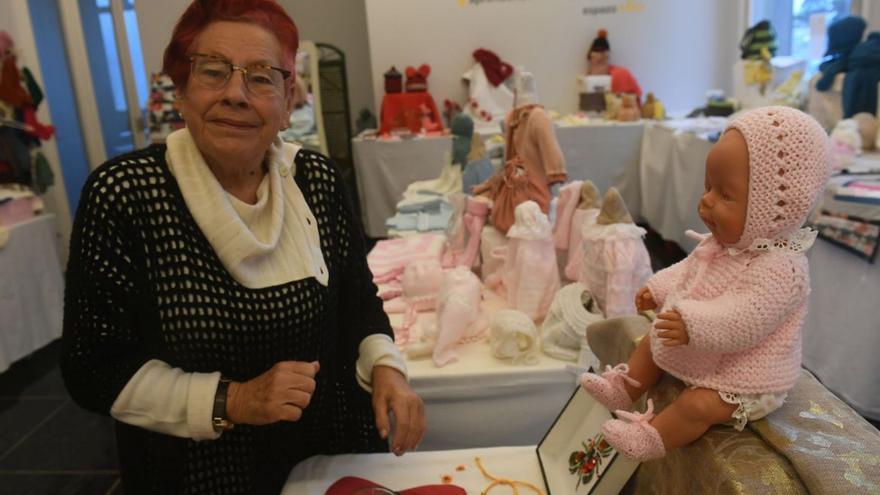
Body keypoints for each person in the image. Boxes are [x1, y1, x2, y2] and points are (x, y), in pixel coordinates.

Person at [60, 1, 424, 492]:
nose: (236, 94)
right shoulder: (127, 195)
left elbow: (358, 304)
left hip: (326, 462)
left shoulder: (315, 179)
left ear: (287, 96)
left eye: (260, 76)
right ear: (181, 87)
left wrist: (386, 368)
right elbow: (92, 370)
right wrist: (234, 400)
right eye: (213, 72)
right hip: (200, 474)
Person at [578, 107, 830, 461]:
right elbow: (688, 270)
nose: (707, 200)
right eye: (708, 186)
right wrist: (659, 288)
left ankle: (653, 438)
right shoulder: (724, 245)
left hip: (748, 371)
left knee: (698, 404)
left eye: (725, 195)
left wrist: (692, 323)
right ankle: (625, 386)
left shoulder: (780, 268)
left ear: (773, 209)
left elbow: (746, 319)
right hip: (709, 341)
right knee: (653, 339)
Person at [587, 29, 642, 102]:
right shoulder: (586, 80)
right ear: (590, 57)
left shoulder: (621, 73)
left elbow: (636, 97)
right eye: (597, 52)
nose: (599, 56)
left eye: (602, 52)